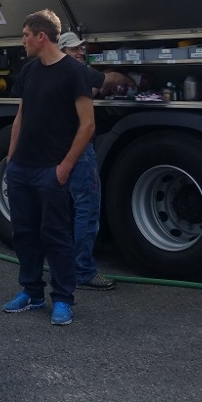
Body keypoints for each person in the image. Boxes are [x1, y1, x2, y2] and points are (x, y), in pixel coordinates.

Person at [2, 10, 95, 326]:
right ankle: (32, 292)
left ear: (42, 37)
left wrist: (65, 166)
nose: (23, 41)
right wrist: (11, 160)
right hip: (22, 169)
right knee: (24, 234)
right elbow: (20, 118)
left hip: (51, 171)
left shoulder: (73, 72)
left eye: (26, 34)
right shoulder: (29, 72)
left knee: (55, 236)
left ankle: (63, 300)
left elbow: (87, 125)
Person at [56, 32, 116, 292]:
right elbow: (110, 80)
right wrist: (128, 76)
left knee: (66, 210)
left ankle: (67, 265)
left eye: (81, 48)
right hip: (78, 151)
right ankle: (83, 271)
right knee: (87, 210)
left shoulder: (49, 72)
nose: (79, 52)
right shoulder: (79, 74)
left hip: (57, 149)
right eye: (73, 49)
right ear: (62, 50)